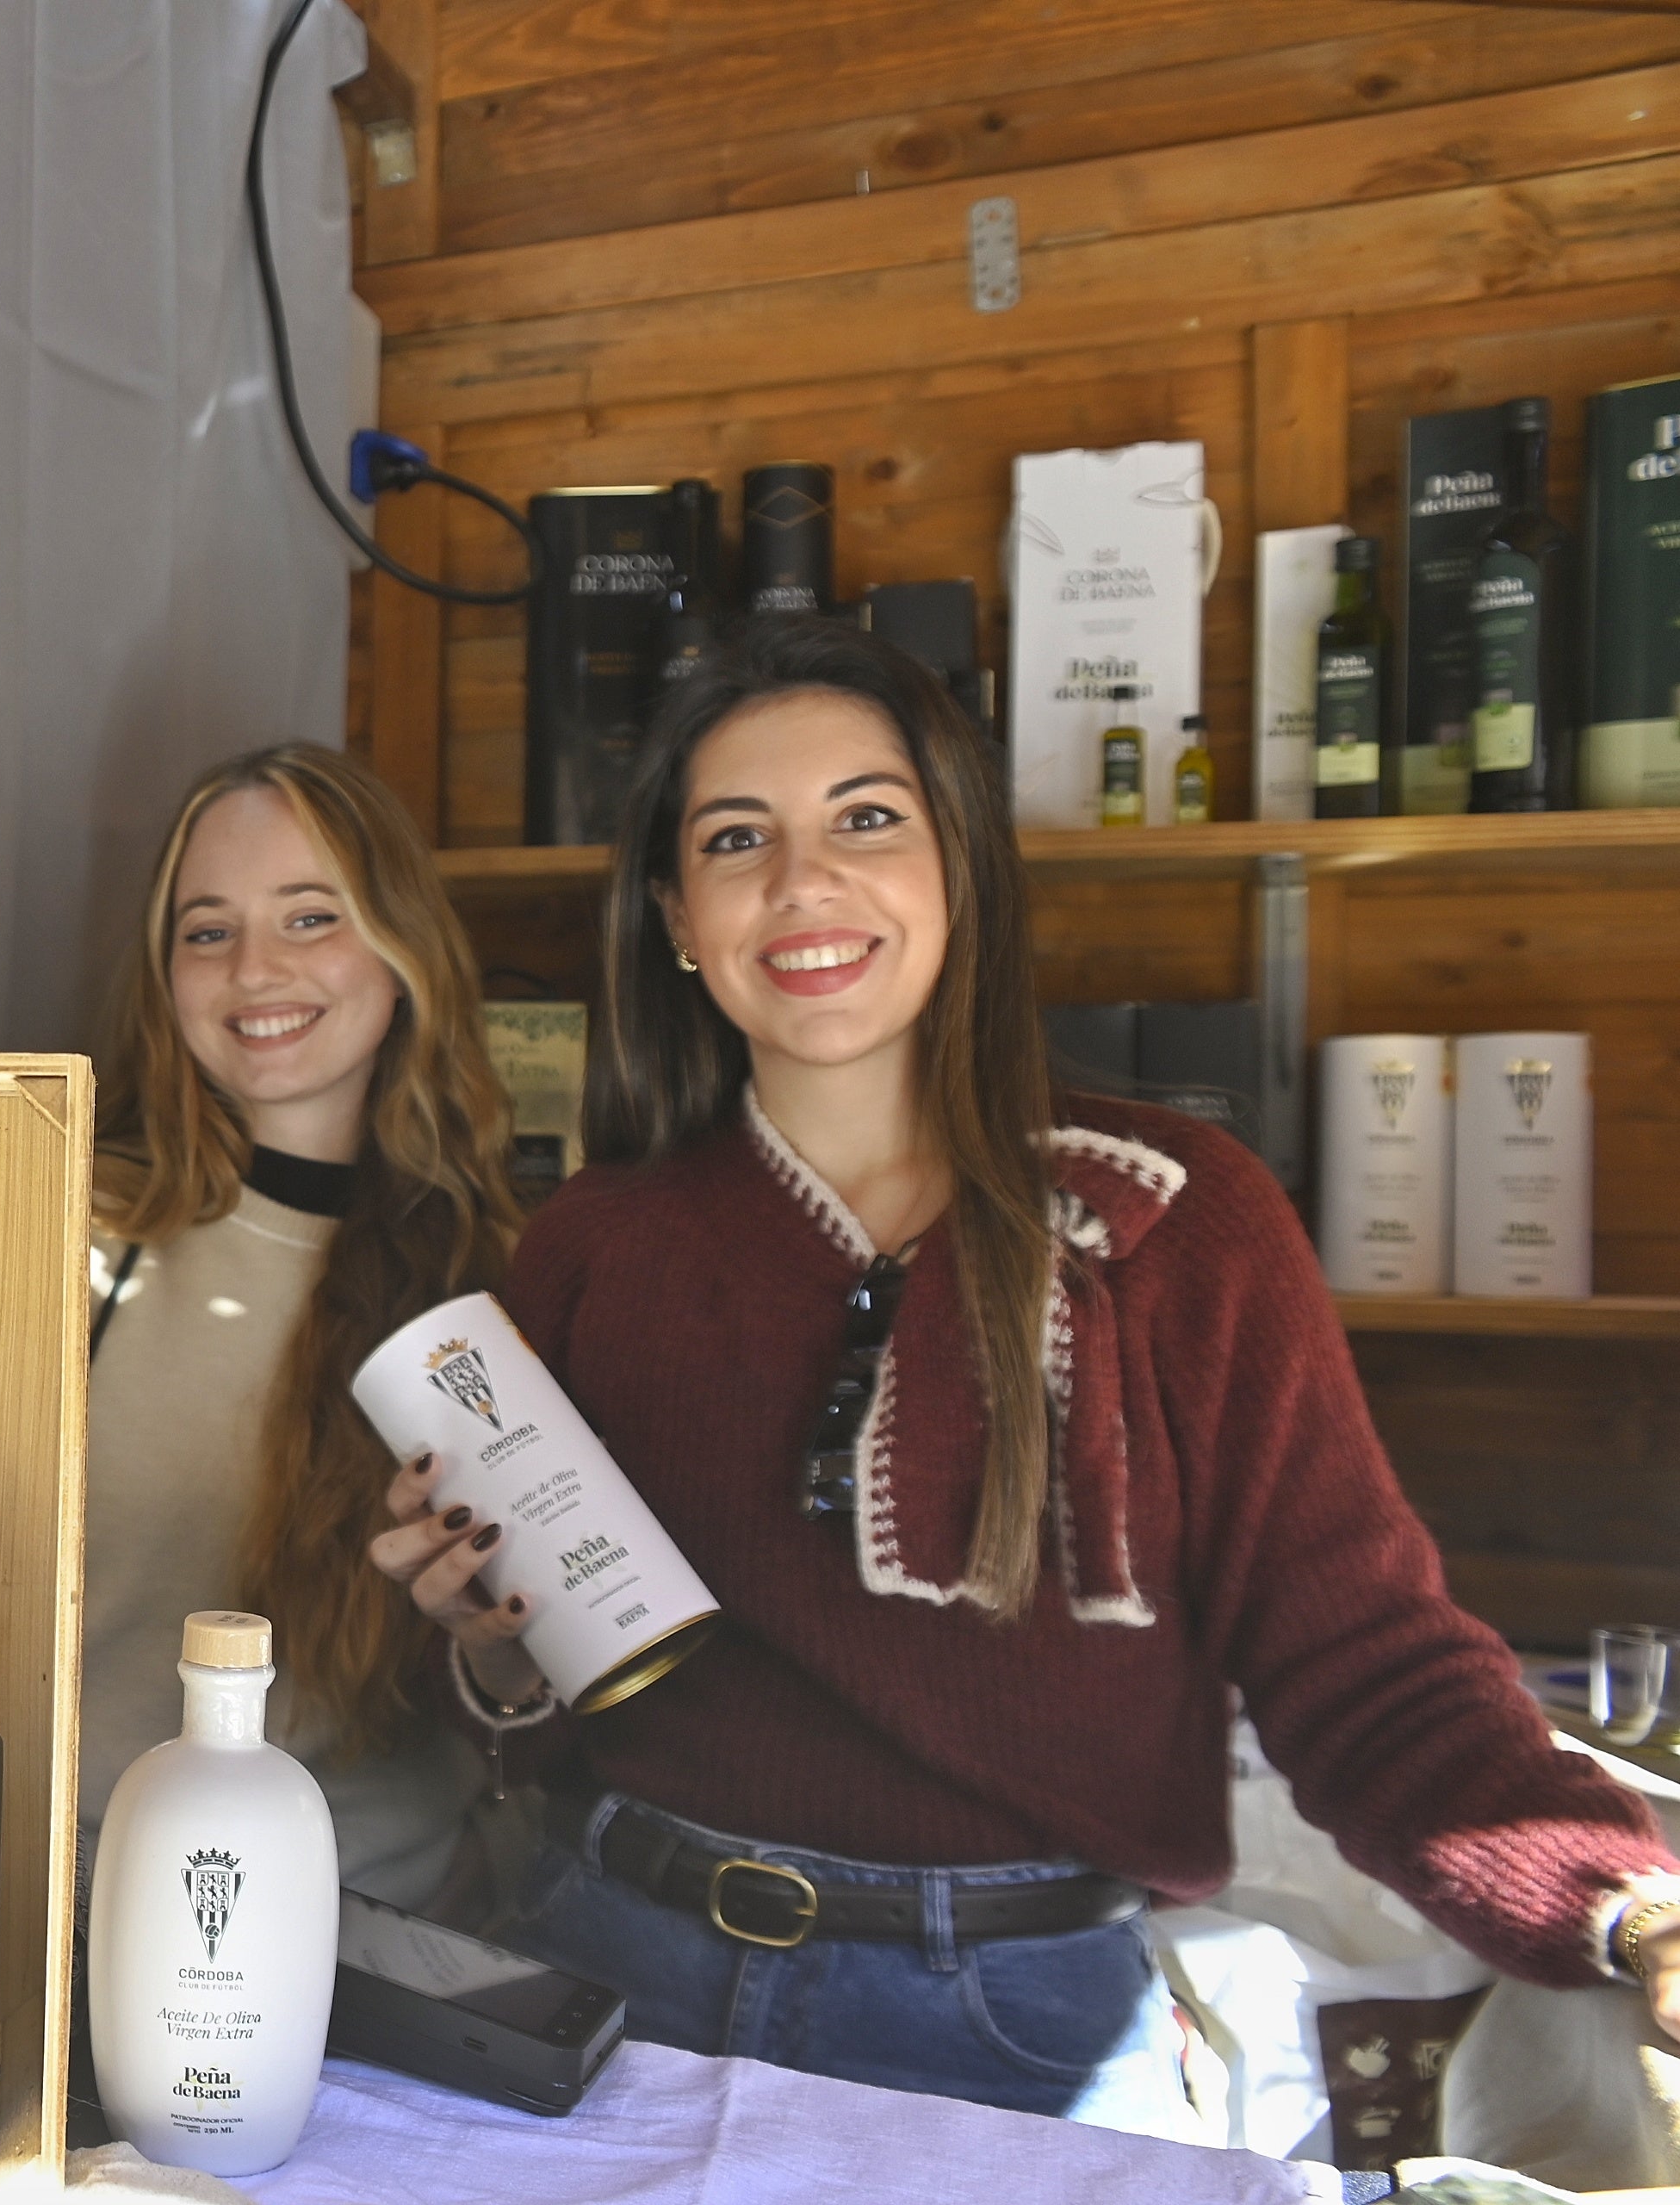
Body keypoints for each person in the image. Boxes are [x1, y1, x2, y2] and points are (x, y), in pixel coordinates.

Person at [369, 617, 1680, 2129]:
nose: (803, 882)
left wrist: (1627, 1909)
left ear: (960, 872)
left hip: (1020, 2025)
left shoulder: (1176, 1221)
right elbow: (543, 1708)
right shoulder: (597, 1245)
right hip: (613, 1970)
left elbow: (1367, 1667)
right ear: (675, 911)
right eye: (738, 839)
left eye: (868, 819)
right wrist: (489, 1642)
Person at [84, 744, 529, 1910]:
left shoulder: (496, 1286)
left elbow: (534, 1698)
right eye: (206, 930)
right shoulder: (72, 1227)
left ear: (401, 953)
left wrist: (493, 1641)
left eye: (309, 917)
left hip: (375, 1931)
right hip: (67, 1911)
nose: (253, 970)